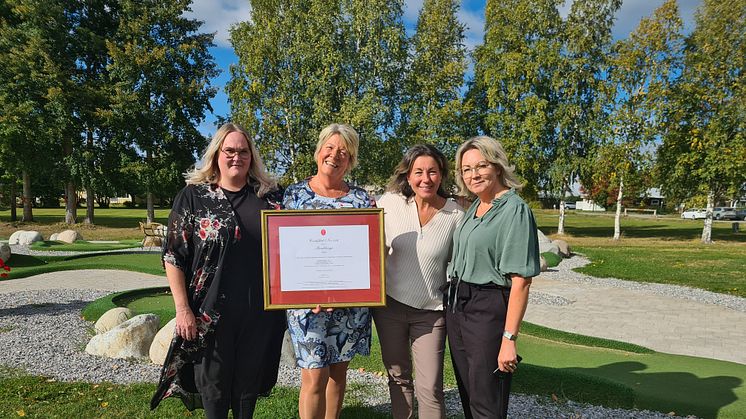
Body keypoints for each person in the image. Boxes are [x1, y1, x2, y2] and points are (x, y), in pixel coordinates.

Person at [150, 123, 287, 419]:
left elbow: (300, 244)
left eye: (243, 151)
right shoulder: (193, 197)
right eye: (230, 151)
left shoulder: (272, 198)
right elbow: (174, 256)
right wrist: (183, 309)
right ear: (216, 155)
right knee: (213, 388)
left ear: (252, 156)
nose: (236, 157)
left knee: (247, 387)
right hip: (209, 312)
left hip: (261, 311)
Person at [445, 136, 540, 419]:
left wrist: (509, 338)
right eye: (466, 169)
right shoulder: (476, 205)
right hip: (458, 304)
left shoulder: (515, 210)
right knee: (469, 392)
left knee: (487, 400)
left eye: (481, 166)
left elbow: (521, 281)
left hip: (487, 309)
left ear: (497, 166)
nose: (473, 174)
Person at [284, 123, 374, 419]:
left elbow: (368, 251)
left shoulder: (362, 200)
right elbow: (284, 250)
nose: (335, 155)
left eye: (344, 152)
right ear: (318, 151)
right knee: (314, 376)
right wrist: (305, 290)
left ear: (351, 160)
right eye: (330, 148)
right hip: (306, 304)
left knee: (338, 373)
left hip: (350, 304)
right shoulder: (293, 196)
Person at [373, 144, 464, 419]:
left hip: (431, 313)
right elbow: (365, 243)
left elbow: (461, 265)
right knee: (398, 377)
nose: (426, 179)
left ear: (442, 175)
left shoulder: (455, 215)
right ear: (408, 175)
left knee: (430, 386)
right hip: (389, 307)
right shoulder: (389, 204)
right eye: (419, 172)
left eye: (433, 172)